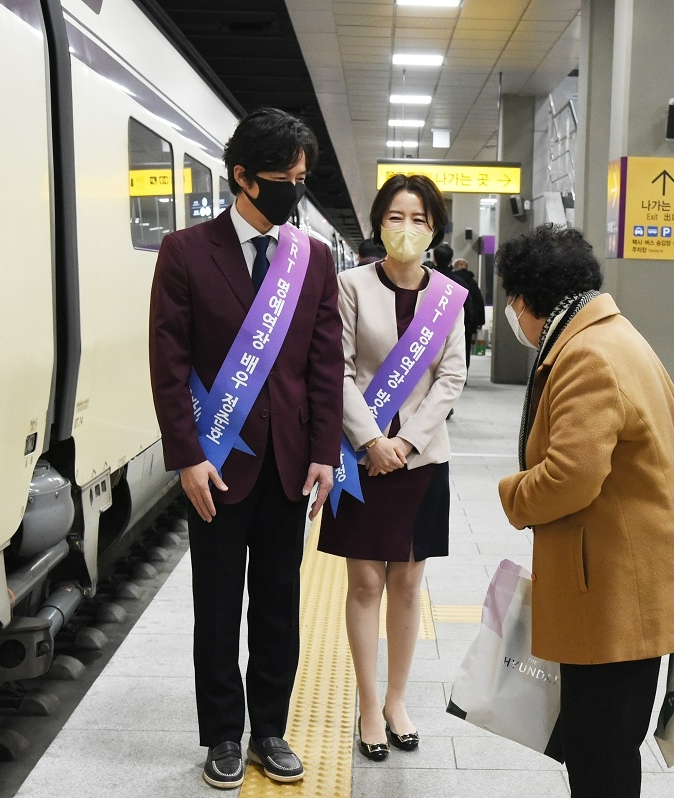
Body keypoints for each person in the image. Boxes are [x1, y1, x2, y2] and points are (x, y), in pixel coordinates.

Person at [148, 107, 344, 789]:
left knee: (278, 605)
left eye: (301, 177)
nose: (295, 189)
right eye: (284, 178)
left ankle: (269, 729)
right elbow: (168, 362)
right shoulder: (185, 253)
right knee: (219, 603)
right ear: (242, 177)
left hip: (290, 464)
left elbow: (325, 362)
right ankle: (223, 735)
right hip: (218, 465)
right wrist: (186, 456)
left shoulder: (311, 259)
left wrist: (324, 451)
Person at [495, 225, 674, 798]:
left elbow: (571, 475)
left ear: (530, 300)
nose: (515, 318)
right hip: (629, 577)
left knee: (598, 747)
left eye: (513, 304)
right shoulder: (614, 334)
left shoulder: (586, 356)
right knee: (605, 741)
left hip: (614, 590)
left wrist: (514, 494)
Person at [319, 174, 466, 762]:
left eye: (420, 220)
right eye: (397, 217)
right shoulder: (350, 285)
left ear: (435, 230)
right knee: (365, 583)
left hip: (423, 458)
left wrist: (404, 443)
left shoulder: (447, 297)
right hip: (363, 458)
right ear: (379, 223)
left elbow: (450, 377)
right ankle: (368, 703)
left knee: (408, 583)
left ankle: (398, 701)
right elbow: (339, 368)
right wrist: (372, 439)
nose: (408, 229)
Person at [451, 257, 486, 369]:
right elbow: (479, 302)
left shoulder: (452, 280)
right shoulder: (472, 283)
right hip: (468, 322)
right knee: (465, 348)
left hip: (451, 320)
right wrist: (480, 321)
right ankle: (464, 373)